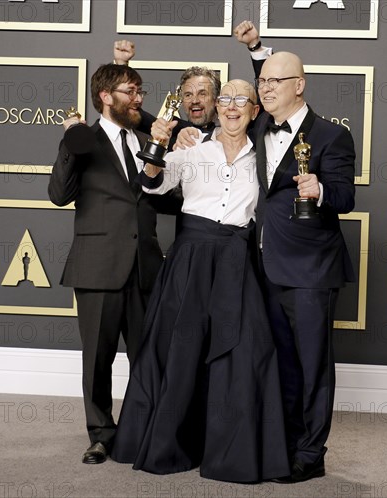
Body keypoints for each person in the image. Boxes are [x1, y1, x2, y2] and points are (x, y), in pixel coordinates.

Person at [111, 79, 290, 483]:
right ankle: (172, 444)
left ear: (254, 110)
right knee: (180, 352)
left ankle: (234, 452)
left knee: (245, 354)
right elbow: (153, 183)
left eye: (240, 100)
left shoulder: (265, 156)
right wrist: (157, 149)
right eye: (224, 99)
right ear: (216, 106)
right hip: (190, 259)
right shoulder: (192, 147)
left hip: (237, 259)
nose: (230, 107)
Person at [48, 63, 175, 465]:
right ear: (106, 96)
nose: (139, 98)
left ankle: (140, 430)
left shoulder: (146, 140)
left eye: (140, 90)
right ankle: (101, 434)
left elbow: (164, 198)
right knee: (97, 359)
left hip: (145, 267)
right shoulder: (83, 140)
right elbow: (58, 195)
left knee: (147, 357)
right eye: (130, 91)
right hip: (98, 266)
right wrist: (71, 141)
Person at [252, 50, 356, 483]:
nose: (266, 88)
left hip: (311, 269)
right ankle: (286, 444)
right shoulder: (256, 125)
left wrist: (322, 189)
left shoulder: (332, 136)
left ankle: (311, 454)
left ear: (300, 84)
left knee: (313, 366)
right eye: (263, 82)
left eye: (277, 81)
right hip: (262, 267)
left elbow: (347, 198)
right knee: (282, 365)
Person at [113, 40, 221, 146]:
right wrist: (122, 64)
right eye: (188, 95)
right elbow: (131, 112)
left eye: (202, 94)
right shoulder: (170, 129)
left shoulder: (229, 134)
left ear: (216, 100)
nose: (195, 101)